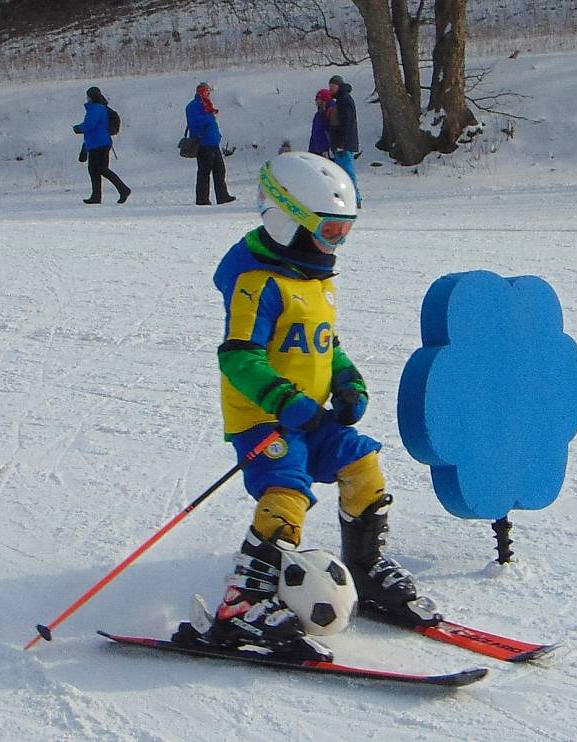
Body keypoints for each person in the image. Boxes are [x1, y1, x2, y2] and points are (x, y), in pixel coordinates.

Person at [172, 152, 440, 659]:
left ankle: (366, 567)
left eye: (346, 231)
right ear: (286, 219)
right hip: (265, 420)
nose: (338, 242)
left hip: (312, 415)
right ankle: (241, 604)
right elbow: (238, 357)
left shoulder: (316, 279)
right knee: (286, 494)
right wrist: (285, 401)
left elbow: (325, 342)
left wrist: (347, 381)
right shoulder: (257, 282)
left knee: (362, 463)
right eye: (330, 231)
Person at [73, 86, 130, 205]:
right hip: (99, 143)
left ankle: (123, 190)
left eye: (88, 96)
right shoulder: (101, 107)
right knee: (95, 170)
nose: (87, 98)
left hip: (99, 143)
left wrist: (78, 128)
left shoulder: (95, 108)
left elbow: (90, 125)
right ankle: (96, 196)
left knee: (100, 169)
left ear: (91, 97)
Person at [185, 82, 236, 206]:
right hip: (203, 144)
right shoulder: (193, 106)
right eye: (206, 91)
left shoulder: (207, 105)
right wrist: (209, 116)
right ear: (200, 91)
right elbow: (195, 122)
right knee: (204, 172)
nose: (208, 93)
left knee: (220, 170)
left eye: (208, 91)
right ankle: (202, 199)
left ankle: (222, 196)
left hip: (213, 143)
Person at [327, 75, 362, 208]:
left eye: (332, 86)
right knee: (340, 173)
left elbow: (347, 123)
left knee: (347, 172)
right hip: (341, 143)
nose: (330, 89)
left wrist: (342, 142)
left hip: (344, 144)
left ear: (338, 86)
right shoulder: (340, 100)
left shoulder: (344, 100)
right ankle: (347, 198)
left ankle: (355, 198)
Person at [308, 88, 333, 157]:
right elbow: (314, 133)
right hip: (316, 150)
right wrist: (311, 150)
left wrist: (328, 149)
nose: (316, 101)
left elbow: (331, 131)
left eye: (318, 99)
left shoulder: (330, 112)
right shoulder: (318, 114)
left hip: (326, 151)